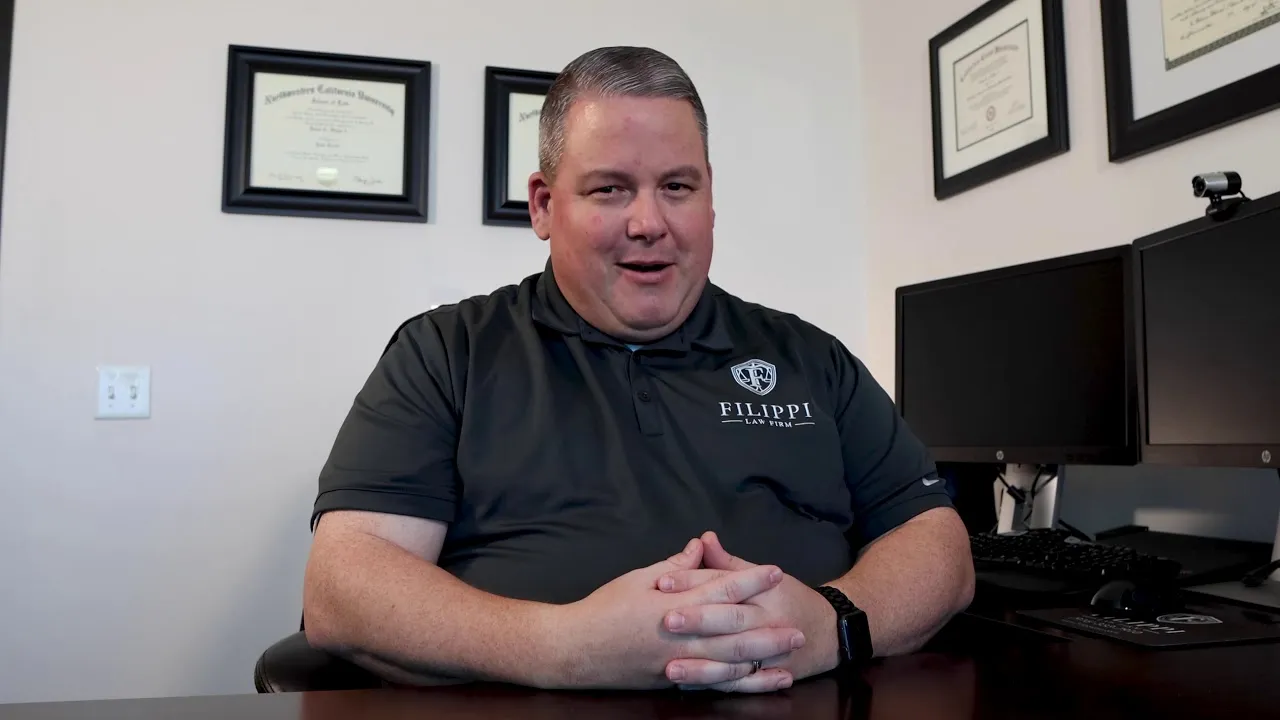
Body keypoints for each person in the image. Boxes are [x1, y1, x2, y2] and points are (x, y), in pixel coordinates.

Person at [301, 45, 974, 695]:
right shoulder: (447, 352)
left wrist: (832, 626)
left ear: (710, 201)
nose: (649, 222)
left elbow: (933, 540)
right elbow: (344, 584)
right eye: (610, 189)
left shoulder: (808, 357)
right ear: (543, 205)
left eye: (677, 187)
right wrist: (562, 648)